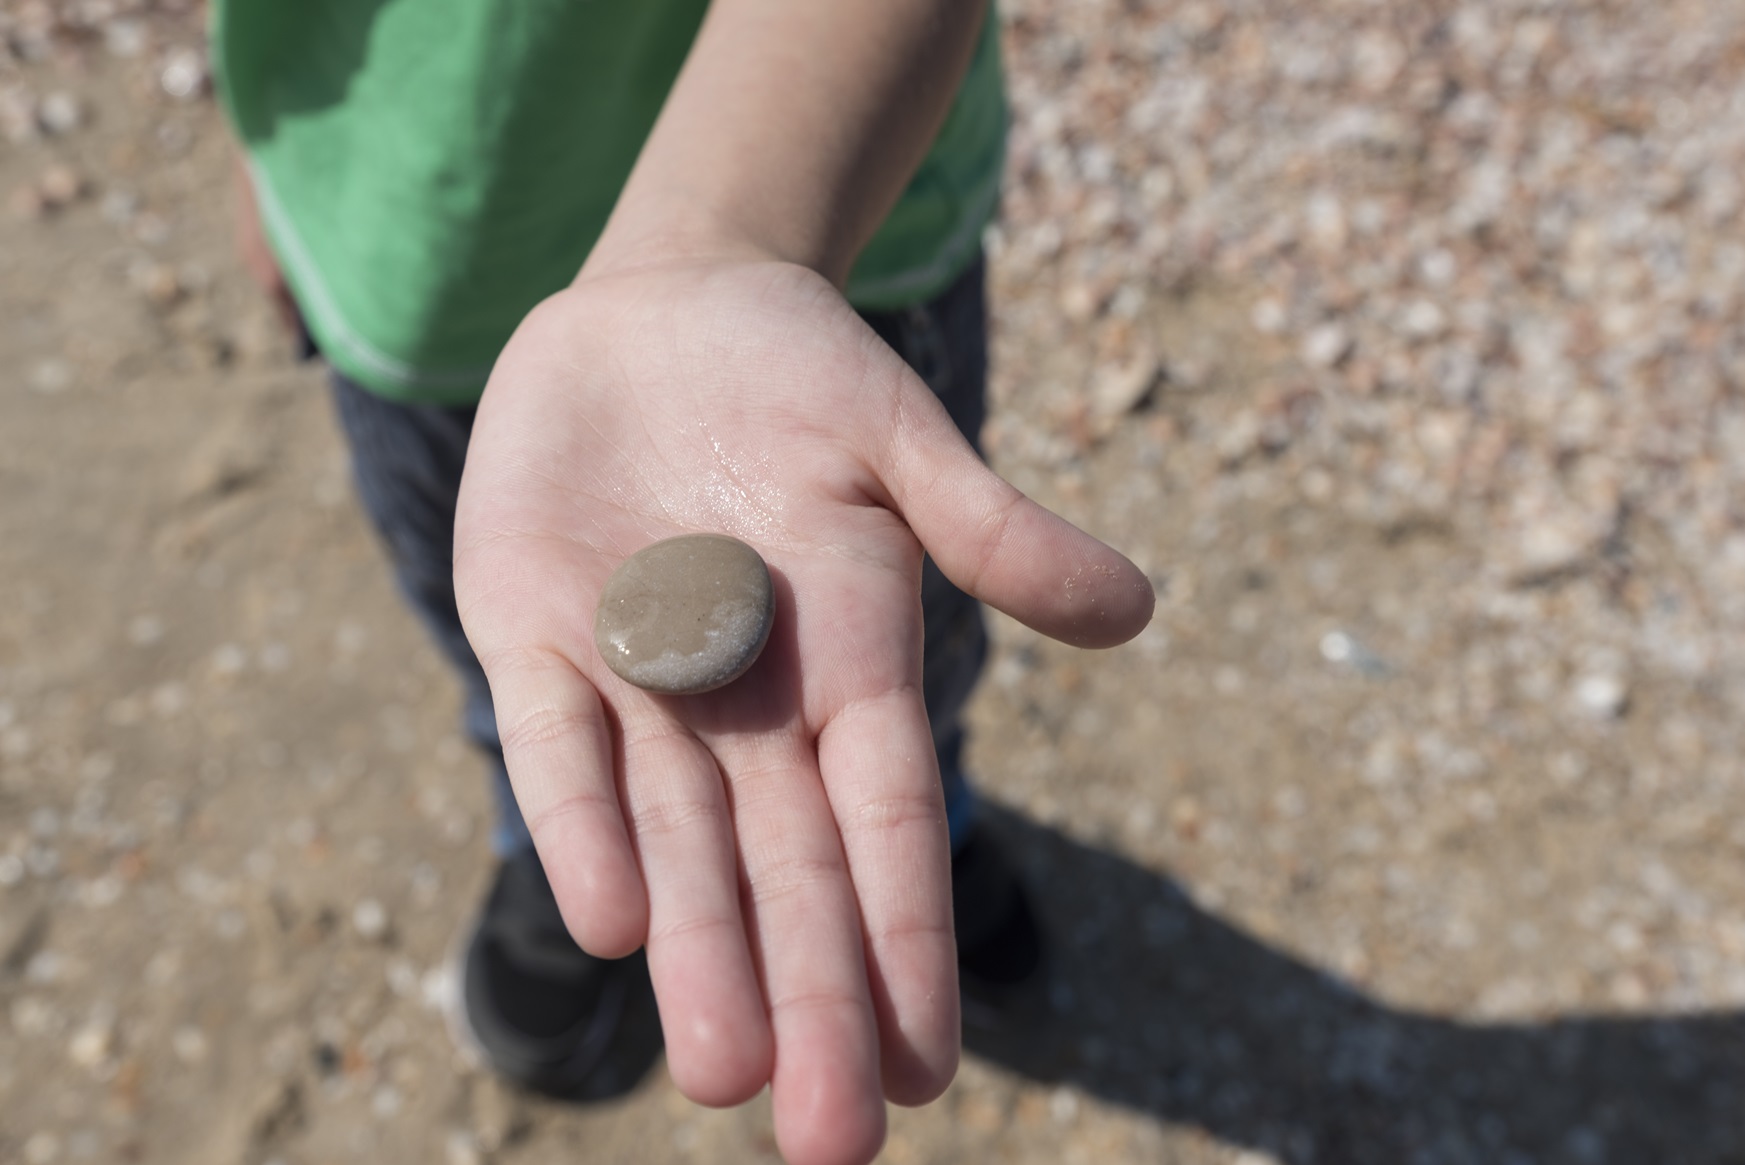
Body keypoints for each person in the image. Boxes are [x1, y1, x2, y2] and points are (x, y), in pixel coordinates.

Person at [216, 4, 1155, 1164]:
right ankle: (541, 837)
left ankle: (937, 817)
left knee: (901, 642)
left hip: (836, 226)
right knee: (506, 637)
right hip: (391, 247)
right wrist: (262, 148)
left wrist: (726, 231)